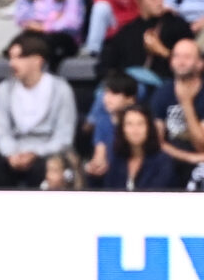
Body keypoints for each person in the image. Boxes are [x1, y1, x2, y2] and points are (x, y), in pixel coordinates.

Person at [0, 32, 78, 187]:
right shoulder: (3, 89)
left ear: (37, 60)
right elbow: (1, 131)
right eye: (11, 58)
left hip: (48, 152)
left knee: (45, 168)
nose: (12, 63)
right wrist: (11, 154)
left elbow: (64, 136)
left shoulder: (61, 89)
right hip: (14, 153)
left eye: (19, 58)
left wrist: (36, 153)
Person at [96, 0, 194, 82]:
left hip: (166, 84)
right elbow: (106, 66)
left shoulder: (177, 25)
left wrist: (163, 51)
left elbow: (192, 65)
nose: (159, 1)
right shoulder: (126, 32)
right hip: (130, 86)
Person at [151, 37, 204, 182]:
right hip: (170, 159)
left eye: (187, 57)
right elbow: (157, 142)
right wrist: (188, 158)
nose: (181, 62)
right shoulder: (162, 92)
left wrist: (186, 103)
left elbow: (201, 146)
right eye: (176, 56)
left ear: (200, 63)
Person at [104, 103, 177, 188]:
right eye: (129, 124)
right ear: (122, 129)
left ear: (149, 128)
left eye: (140, 124)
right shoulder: (114, 157)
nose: (135, 130)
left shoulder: (162, 161)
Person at [85, 72, 139, 180]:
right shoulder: (103, 121)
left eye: (114, 93)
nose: (108, 98)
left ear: (130, 99)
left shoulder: (140, 121)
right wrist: (95, 166)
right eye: (106, 92)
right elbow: (100, 153)